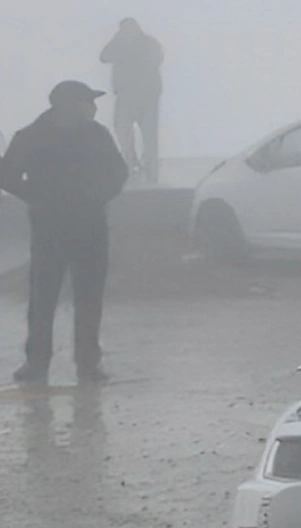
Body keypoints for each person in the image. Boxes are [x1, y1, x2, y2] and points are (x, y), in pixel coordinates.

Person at [0, 81, 129, 385]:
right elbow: (6, 175)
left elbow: (118, 173)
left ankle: (84, 363)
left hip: (86, 226)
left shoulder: (94, 134)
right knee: (45, 298)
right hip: (54, 228)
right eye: (89, 101)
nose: (94, 107)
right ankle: (39, 363)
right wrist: (39, 196)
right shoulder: (32, 137)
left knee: (84, 298)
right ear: (70, 104)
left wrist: (96, 196)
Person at [100, 18, 164, 184]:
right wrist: (117, 40)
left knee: (149, 135)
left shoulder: (148, 43)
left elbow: (157, 59)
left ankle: (150, 169)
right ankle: (131, 163)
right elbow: (103, 56)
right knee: (123, 131)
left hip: (146, 96)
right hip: (127, 95)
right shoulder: (120, 43)